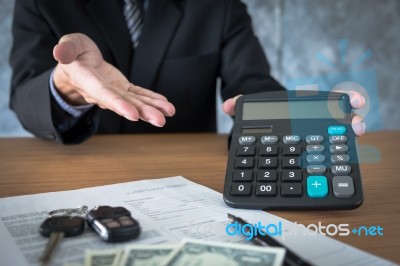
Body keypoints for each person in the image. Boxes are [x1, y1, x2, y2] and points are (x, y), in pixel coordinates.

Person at [9, 0, 366, 144]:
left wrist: (279, 116)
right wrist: (66, 84)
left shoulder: (218, 6)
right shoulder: (42, 2)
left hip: (188, 180)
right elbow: (25, 97)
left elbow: (250, 83)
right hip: (78, 175)